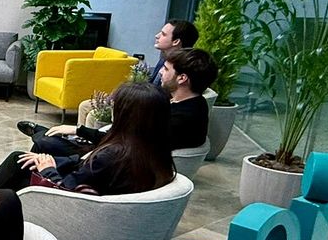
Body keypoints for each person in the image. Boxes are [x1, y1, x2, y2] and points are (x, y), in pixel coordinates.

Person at [0, 81, 175, 196]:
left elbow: (67, 190)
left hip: (65, 200)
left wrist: (48, 170)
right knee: (22, 158)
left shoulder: (113, 155)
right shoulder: (156, 151)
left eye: (115, 107)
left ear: (126, 115)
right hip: (88, 193)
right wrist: (48, 161)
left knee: (16, 166)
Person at [22, 46, 217, 157]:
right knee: (52, 138)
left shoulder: (180, 118)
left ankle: (41, 136)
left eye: (165, 69)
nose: (160, 73)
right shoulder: (189, 104)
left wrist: (79, 130)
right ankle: (44, 133)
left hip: (117, 157)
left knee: (43, 145)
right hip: (118, 146)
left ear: (182, 78)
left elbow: (124, 141)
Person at [148, 19, 198, 84]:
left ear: (176, 41)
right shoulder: (165, 58)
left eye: (163, 34)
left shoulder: (180, 68)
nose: (157, 36)